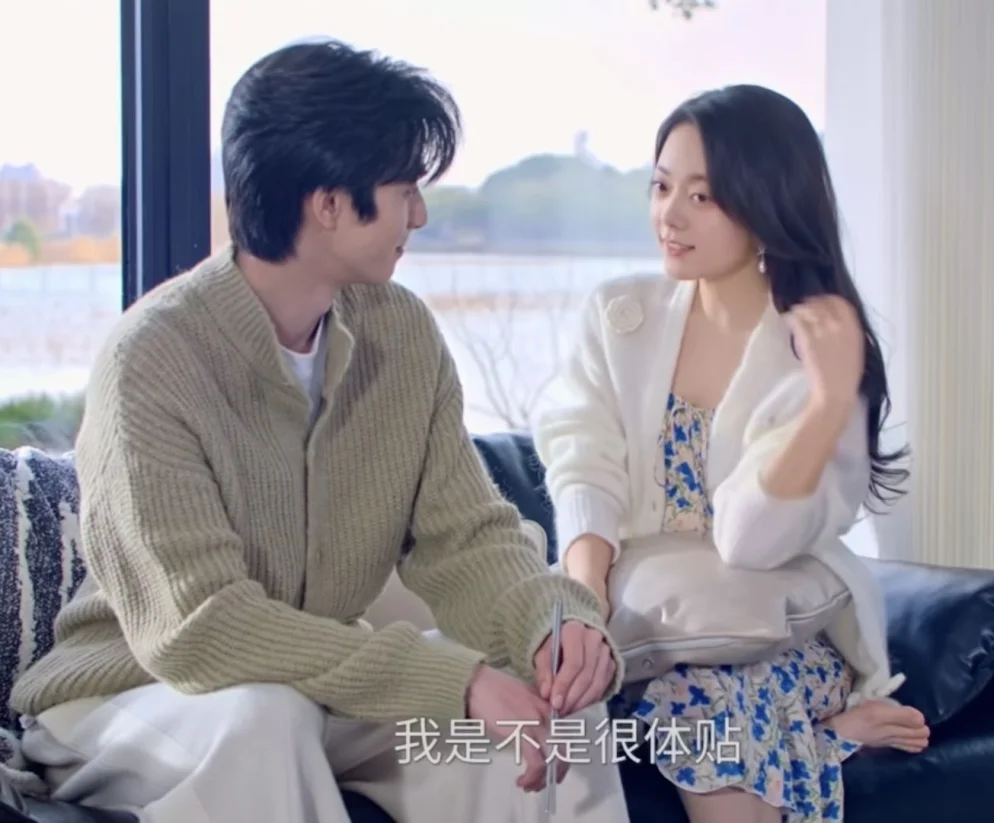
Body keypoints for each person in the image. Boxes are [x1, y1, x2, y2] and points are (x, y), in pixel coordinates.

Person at [9, 41, 631, 823]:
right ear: (328, 204)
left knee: (547, 717)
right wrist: (456, 679)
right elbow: (202, 630)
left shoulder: (400, 334)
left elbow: (466, 538)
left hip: (316, 687)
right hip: (131, 697)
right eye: (404, 189)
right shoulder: (153, 358)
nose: (420, 215)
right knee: (266, 717)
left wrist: (549, 624)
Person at [531, 85, 931, 823]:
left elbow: (750, 542)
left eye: (702, 196)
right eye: (661, 187)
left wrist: (825, 406)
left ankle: (824, 729)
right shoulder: (619, 316)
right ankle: (826, 742)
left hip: (764, 634)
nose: (670, 216)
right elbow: (582, 459)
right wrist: (585, 602)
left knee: (707, 704)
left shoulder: (821, 350)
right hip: (631, 622)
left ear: (765, 205)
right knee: (535, 691)